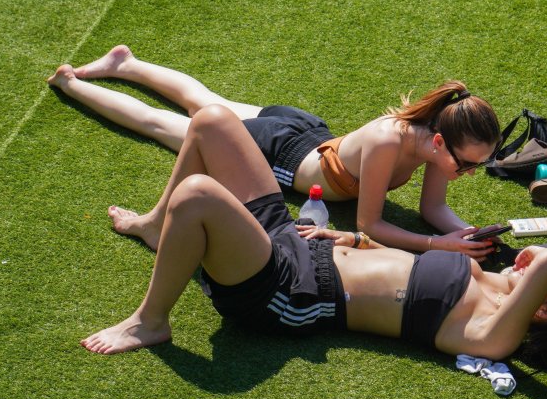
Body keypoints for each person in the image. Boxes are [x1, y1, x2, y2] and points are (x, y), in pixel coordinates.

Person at [79, 104, 547, 365]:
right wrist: (356, 242)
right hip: (301, 244)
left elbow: (543, 262)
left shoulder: (488, 330)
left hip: (291, 291)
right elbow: (399, 267)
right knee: (212, 120)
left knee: (198, 194)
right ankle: (154, 225)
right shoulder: (479, 274)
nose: (536, 260)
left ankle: (151, 321)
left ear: (542, 310)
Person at [47, 45, 502, 258]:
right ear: (441, 141)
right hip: (284, 157)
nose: (469, 172)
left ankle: (127, 64)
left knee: (209, 99)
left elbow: (434, 207)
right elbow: (370, 224)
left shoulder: (440, 140)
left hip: (308, 133)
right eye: (466, 164)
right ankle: (72, 82)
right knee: (169, 127)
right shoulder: (392, 140)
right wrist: (436, 246)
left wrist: (468, 232)